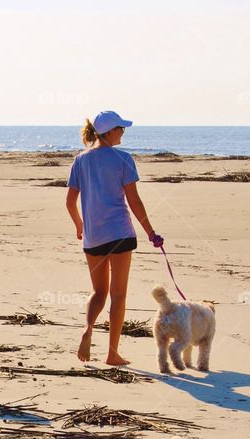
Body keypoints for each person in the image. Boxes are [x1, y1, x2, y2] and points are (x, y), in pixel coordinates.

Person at [65, 111, 161, 366]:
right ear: (109, 132)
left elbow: (70, 201)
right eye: (120, 129)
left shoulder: (80, 161)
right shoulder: (123, 159)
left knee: (98, 292)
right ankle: (112, 353)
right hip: (120, 233)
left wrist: (79, 226)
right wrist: (151, 232)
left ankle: (87, 329)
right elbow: (134, 201)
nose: (123, 133)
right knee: (118, 295)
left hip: (93, 237)